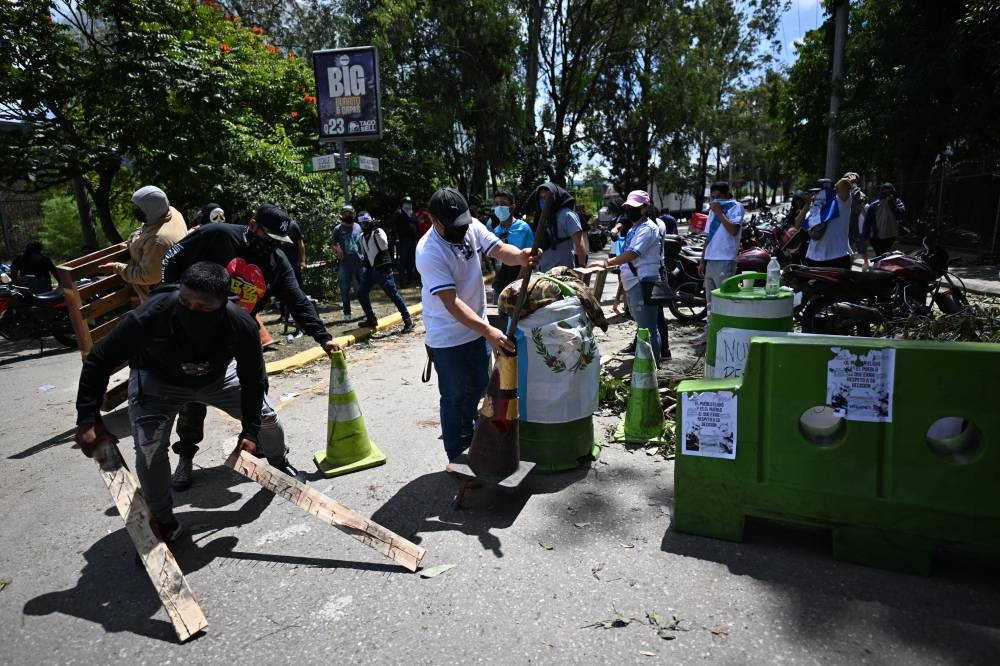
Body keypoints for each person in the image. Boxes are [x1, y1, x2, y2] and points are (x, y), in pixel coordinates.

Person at [73, 262, 302, 541]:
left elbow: (254, 379)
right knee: (148, 447)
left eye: (204, 308)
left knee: (266, 418)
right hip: (159, 383)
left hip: (217, 378)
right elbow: (99, 359)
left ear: (223, 303)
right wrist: (88, 418)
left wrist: (250, 430)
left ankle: (279, 463)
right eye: (185, 302)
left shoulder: (240, 324)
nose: (191, 311)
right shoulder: (148, 315)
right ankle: (164, 522)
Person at [161, 203, 340, 490]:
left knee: (258, 396)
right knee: (192, 401)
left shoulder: (277, 262)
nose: (271, 246)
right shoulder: (217, 236)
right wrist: (169, 298)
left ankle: (272, 457)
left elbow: (297, 301)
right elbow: (171, 258)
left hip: (241, 337)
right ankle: (185, 458)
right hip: (197, 337)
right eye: (268, 237)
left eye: (279, 242)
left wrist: (323, 337)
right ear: (253, 225)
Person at [415, 187, 539, 467]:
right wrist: (489, 331)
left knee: (479, 389)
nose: (462, 230)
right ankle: (455, 457)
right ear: (435, 222)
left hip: (477, 330)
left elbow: (498, 249)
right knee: (453, 397)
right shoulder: (428, 251)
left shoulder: (469, 224)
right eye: (454, 227)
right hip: (447, 338)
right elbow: (451, 302)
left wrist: (520, 256)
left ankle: (470, 435)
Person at [589, 190, 668, 363]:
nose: (630, 210)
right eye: (628, 206)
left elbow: (633, 254)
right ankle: (648, 363)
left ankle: (651, 367)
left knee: (648, 328)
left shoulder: (648, 228)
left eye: (635, 207)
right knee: (643, 327)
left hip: (643, 283)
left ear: (645, 208)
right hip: (634, 283)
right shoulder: (635, 227)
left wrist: (606, 263)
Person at [98, 185, 186, 300]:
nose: (136, 210)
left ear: (151, 211)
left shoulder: (158, 241)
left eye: (140, 209)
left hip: (157, 298)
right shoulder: (171, 212)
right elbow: (145, 230)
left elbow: (149, 277)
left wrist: (116, 268)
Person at [698, 181, 744, 338]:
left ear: (726, 194)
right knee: (710, 302)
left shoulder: (735, 207)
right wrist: (703, 259)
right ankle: (709, 334)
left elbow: (733, 229)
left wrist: (719, 213)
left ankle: (725, 334)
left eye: (719, 196)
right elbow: (708, 236)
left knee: (724, 301)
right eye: (713, 197)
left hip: (725, 260)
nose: (715, 200)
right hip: (711, 260)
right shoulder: (713, 210)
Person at [357, 210, 413, 331]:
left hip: (382, 269)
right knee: (361, 293)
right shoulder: (362, 237)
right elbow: (365, 253)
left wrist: (375, 229)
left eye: (366, 223)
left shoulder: (378, 231)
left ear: (370, 221)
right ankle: (371, 318)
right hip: (371, 271)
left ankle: (407, 319)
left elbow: (384, 246)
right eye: (362, 224)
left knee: (393, 295)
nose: (364, 226)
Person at [486, 191, 533, 303]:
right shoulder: (496, 230)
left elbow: (530, 259)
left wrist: (518, 283)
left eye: (503, 203)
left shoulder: (523, 228)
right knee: (498, 315)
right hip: (500, 281)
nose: (499, 207)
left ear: (512, 207)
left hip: (518, 282)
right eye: (496, 204)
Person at [529, 182, 588, 272]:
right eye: (541, 198)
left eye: (547, 197)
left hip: (563, 272)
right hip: (542, 272)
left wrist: (581, 267)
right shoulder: (540, 218)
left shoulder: (567, 215)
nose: (544, 200)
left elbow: (579, 244)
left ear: (555, 198)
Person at [803, 174, 855, 269]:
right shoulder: (814, 210)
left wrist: (835, 187)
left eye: (819, 192)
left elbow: (843, 183)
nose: (815, 196)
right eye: (815, 193)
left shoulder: (841, 202)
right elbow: (798, 225)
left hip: (837, 259)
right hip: (813, 259)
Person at [330, 204, 364, 322]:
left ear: (354, 214)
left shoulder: (358, 227)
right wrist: (337, 249)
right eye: (344, 213)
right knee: (344, 288)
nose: (347, 215)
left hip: (359, 263)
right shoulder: (338, 229)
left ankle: (367, 309)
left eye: (349, 213)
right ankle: (347, 313)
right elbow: (333, 244)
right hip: (345, 264)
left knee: (362, 288)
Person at [861, 182, 906, 257]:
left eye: (889, 191)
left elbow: (900, 214)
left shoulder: (895, 202)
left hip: (888, 236)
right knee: (881, 256)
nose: (887, 193)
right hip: (879, 237)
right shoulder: (875, 205)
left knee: (882, 256)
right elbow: (868, 222)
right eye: (886, 191)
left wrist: (891, 203)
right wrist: (866, 236)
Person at [393, 196, 419, 287]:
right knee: (403, 262)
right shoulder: (398, 213)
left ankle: (409, 280)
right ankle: (402, 282)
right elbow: (394, 227)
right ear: (403, 204)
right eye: (407, 203)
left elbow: (417, 226)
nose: (409, 205)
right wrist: (397, 238)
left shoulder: (413, 214)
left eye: (410, 203)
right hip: (403, 241)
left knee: (412, 261)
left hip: (413, 240)